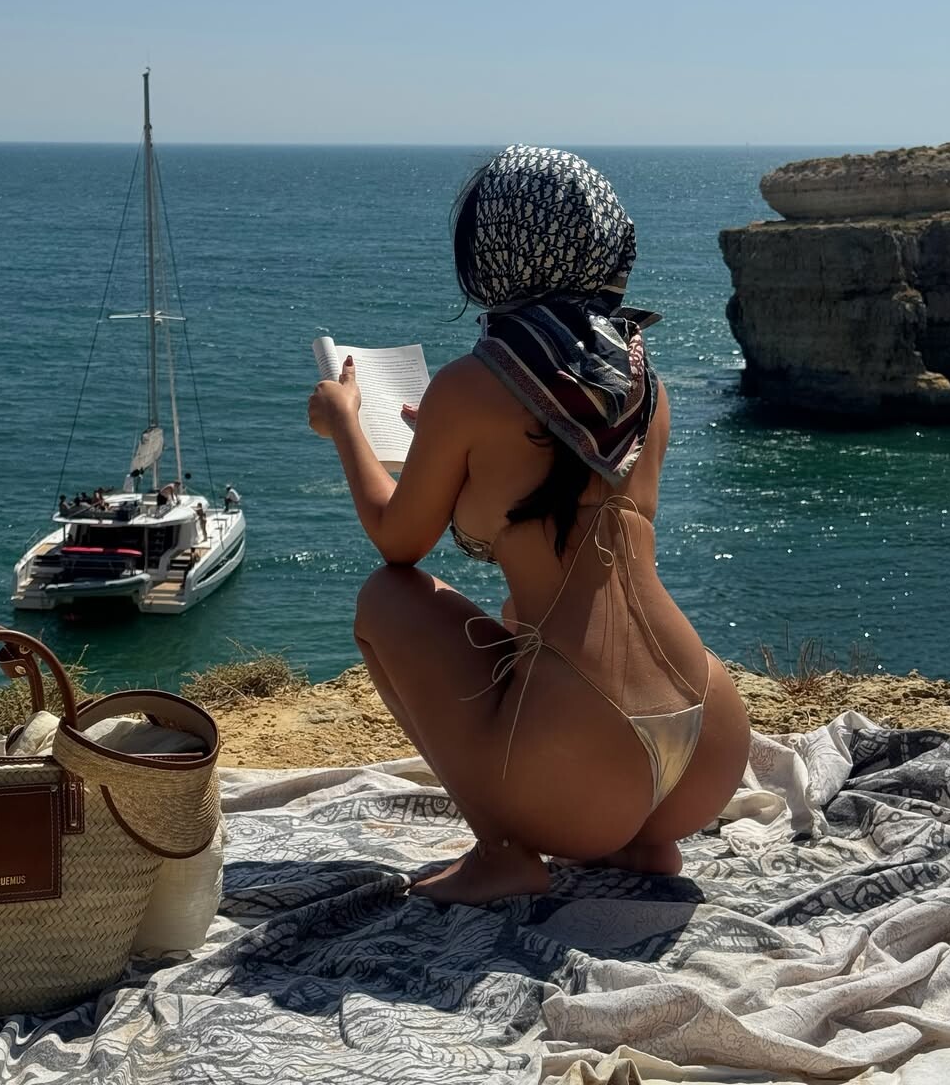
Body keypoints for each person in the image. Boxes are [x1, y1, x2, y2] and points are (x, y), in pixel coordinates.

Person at [308, 146, 750, 905]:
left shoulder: (470, 385)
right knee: (526, 614)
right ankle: (644, 845)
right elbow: (593, 514)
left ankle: (504, 850)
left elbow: (398, 541)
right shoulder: (642, 378)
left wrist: (346, 425)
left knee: (385, 599)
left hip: (582, 754)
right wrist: (451, 447)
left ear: (493, 254)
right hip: (708, 739)